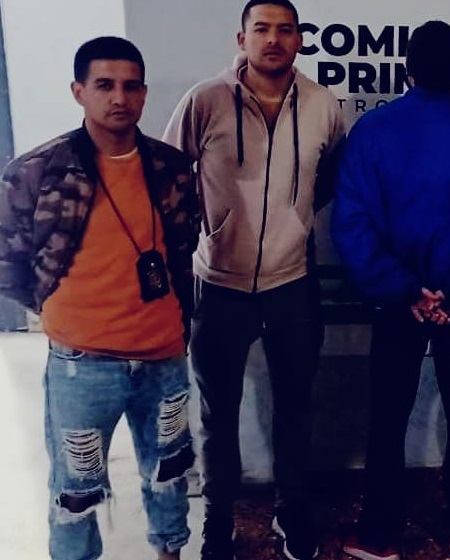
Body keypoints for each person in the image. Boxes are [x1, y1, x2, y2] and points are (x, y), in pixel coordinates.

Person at [0, 37, 201, 560]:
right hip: (82, 365)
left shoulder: (171, 167)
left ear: (144, 93)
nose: (119, 98)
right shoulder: (37, 171)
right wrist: (61, 311)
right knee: (76, 492)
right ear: (79, 91)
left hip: (163, 358)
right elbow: (7, 262)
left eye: (131, 86)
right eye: (105, 85)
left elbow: (182, 250)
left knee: (170, 474)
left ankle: (170, 553)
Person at [331, 20, 450, 560]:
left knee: (387, 416)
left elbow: (352, 224)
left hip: (396, 303)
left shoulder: (371, 132)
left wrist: (407, 291)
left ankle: (379, 535)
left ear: (407, 69)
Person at [162, 1, 345, 558]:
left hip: (293, 283)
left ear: (299, 40)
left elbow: (331, 176)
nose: (273, 39)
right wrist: (206, 233)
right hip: (218, 283)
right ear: (241, 38)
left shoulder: (322, 104)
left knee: (295, 404)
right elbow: (169, 180)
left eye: (285, 30)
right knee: (218, 414)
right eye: (261, 29)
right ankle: (219, 520)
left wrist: (294, 222)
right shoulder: (204, 100)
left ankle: (292, 511)